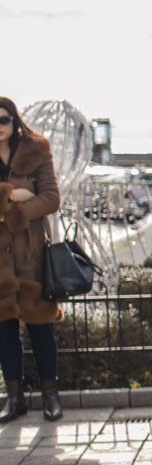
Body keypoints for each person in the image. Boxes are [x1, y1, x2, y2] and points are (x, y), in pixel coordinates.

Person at [0, 97, 62, 422]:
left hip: (31, 253)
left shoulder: (37, 150)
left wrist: (16, 212)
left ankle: (50, 396)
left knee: (40, 326)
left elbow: (51, 198)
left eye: (3, 120)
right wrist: (13, 195)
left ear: (14, 120)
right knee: (4, 329)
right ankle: (15, 399)